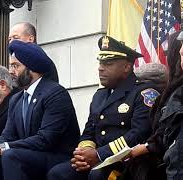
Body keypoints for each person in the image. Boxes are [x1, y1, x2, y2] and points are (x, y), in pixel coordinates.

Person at [47, 36, 159, 180]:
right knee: (58, 173)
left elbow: (139, 133)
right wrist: (85, 152)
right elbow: (89, 131)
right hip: (97, 159)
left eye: (108, 63)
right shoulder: (99, 95)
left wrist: (100, 154)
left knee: (97, 175)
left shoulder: (144, 92)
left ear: (127, 67)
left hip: (128, 161)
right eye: (100, 63)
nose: (100, 68)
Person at [0, 40, 80, 180]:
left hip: (59, 158)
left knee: (11, 156)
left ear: (31, 68)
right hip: (33, 157)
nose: (11, 71)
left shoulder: (55, 93)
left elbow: (45, 139)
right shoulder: (16, 100)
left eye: (16, 66)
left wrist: (2, 148)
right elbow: (8, 135)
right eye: (11, 66)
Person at [124, 31, 183, 180]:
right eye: (180, 52)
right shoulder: (172, 92)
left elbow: (171, 137)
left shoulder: (180, 94)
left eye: (168, 53)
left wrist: (146, 148)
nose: (182, 54)